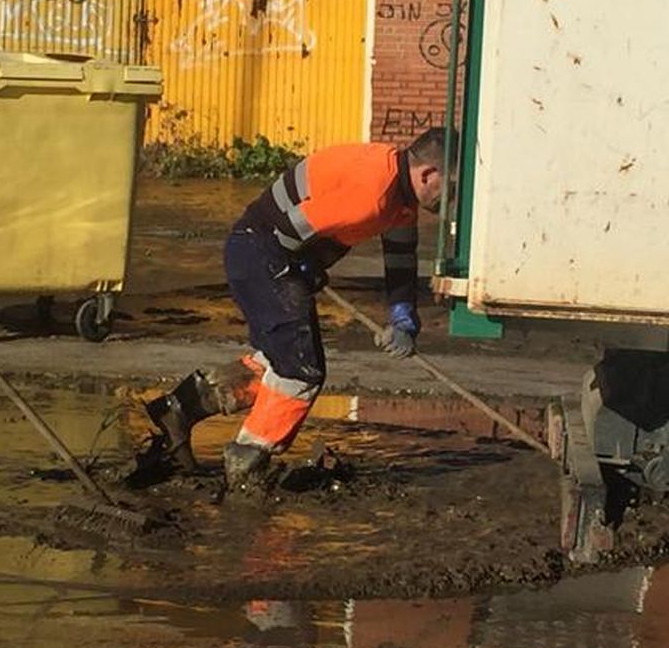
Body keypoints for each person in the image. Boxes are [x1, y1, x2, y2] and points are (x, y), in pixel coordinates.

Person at [145, 128, 448, 489]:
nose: (451, 201)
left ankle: (179, 410)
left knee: (279, 361)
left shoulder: (399, 197)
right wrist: (305, 265)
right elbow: (287, 230)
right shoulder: (373, 194)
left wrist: (403, 316)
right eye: (451, 189)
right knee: (300, 371)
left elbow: (400, 260)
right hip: (262, 251)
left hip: (263, 251)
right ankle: (247, 461)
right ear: (428, 174)